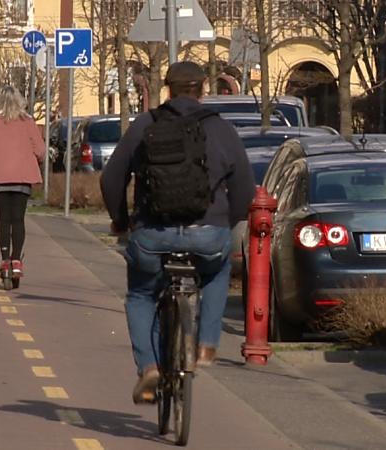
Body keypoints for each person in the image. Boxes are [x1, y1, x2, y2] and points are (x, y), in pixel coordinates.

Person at [100, 62, 255, 404]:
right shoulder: (221, 129)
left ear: (167, 90)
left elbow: (111, 178)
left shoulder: (145, 125)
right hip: (208, 234)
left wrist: (121, 221)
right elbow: (244, 189)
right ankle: (207, 342)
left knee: (141, 295)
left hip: (152, 235)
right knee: (217, 271)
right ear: (202, 89)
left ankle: (150, 367)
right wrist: (226, 223)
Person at [0, 86, 45, 282]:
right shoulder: (28, 122)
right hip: (23, 177)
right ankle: (17, 261)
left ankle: (5, 259)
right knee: (18, 219)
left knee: (3, 220)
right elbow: (41, 150)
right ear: (20, 101)